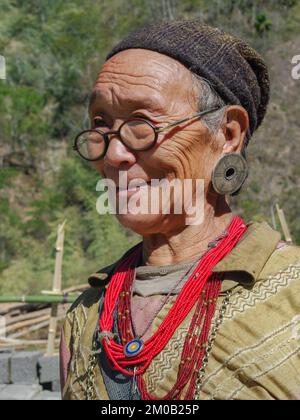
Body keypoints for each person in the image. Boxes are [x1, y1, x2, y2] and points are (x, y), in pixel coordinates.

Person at [60, 20, 300, 400]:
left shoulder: (291, 292)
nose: (115, 152)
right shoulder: (86, 315)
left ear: (228, 134)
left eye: (143, 124)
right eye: (100, 124)